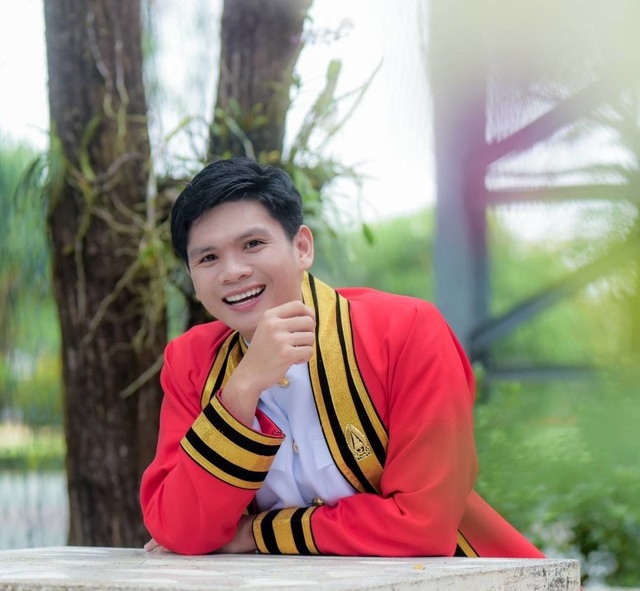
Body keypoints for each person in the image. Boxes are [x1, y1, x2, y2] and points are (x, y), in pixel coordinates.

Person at [140, 156, 544, 558]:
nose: (232, 271)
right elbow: (179, 530)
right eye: (208, 258)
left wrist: (254, 534)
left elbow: (422, 525)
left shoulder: (407, 333)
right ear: (192, 278)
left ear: (302, 247)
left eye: (253, 244)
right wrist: (243, 387)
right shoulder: (191, 361)